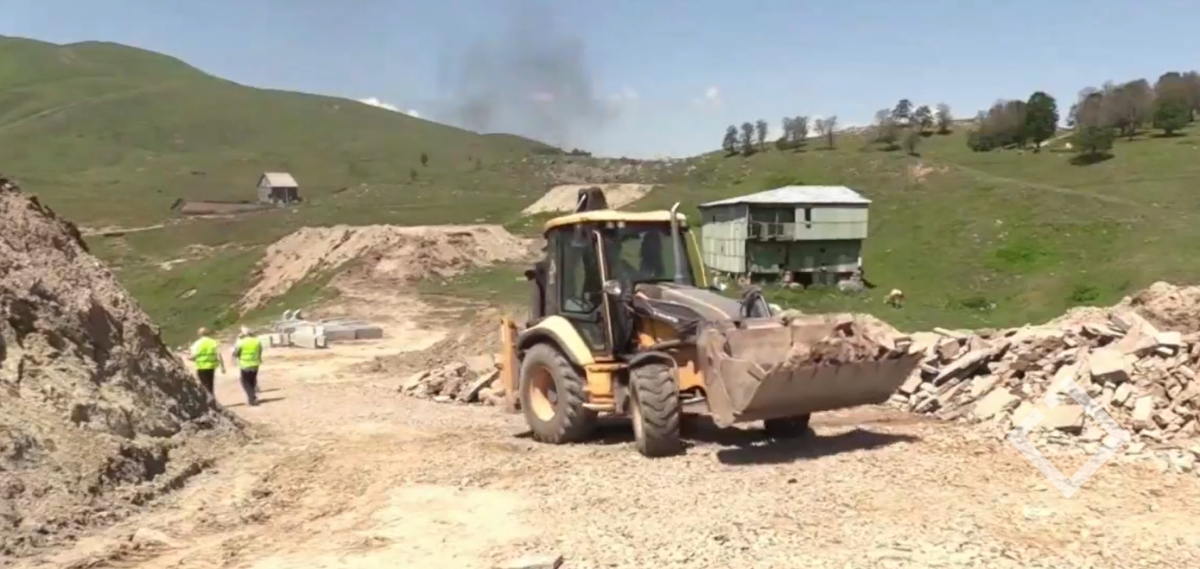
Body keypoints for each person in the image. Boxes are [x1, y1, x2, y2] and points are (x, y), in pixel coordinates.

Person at [188, 327, 225, 397]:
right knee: (210, 384)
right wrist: (222, 366)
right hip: (211, 366)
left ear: (199, 334)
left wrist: (189, 358)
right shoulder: (213, 342)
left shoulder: (197, 344)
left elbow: (193, 357)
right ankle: (212, 397)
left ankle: (209, 399)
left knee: (204, 385)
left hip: (201, 367)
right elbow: (219, 355)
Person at [232, 326, 264, 406]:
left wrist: (235, 356)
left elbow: (236, 353)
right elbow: (260, 351)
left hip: (245, 364)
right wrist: (259, 358)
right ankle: (252, 397)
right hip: (255, 364)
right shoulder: (257, 341)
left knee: (245, 381)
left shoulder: (241, 342)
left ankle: (252, 398)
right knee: (252, 380)